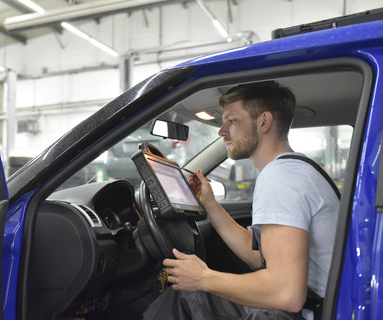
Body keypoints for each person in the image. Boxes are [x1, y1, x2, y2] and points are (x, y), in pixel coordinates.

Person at [142, 81, 339, 320]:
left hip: (310, 313)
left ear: (264, 122)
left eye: (232, 121)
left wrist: (203, 278)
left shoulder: (280, 178)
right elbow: (261, 257)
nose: (221, 131)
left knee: (183, 298)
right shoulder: (297, 169)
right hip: (317, 306)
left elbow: (287, 293)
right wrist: (210, 204)